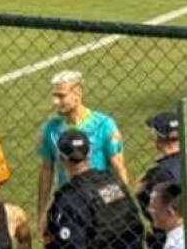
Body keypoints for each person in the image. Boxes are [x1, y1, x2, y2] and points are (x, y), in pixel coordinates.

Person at [36, 70, 128, 230]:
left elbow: (119, 170)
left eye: (61, 96)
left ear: (77, 93)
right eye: (54, 96)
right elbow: (46, 171)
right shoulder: (50, 129)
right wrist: (43, 212)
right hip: (69, 205)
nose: (55, 101)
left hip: (100, 202)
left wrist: (117, 207)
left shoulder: (104, 125)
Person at [135, 112, 184, 249]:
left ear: (159, 137)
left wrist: (143, 189)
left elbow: (153, 208)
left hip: (169, 239)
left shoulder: (161, 174)